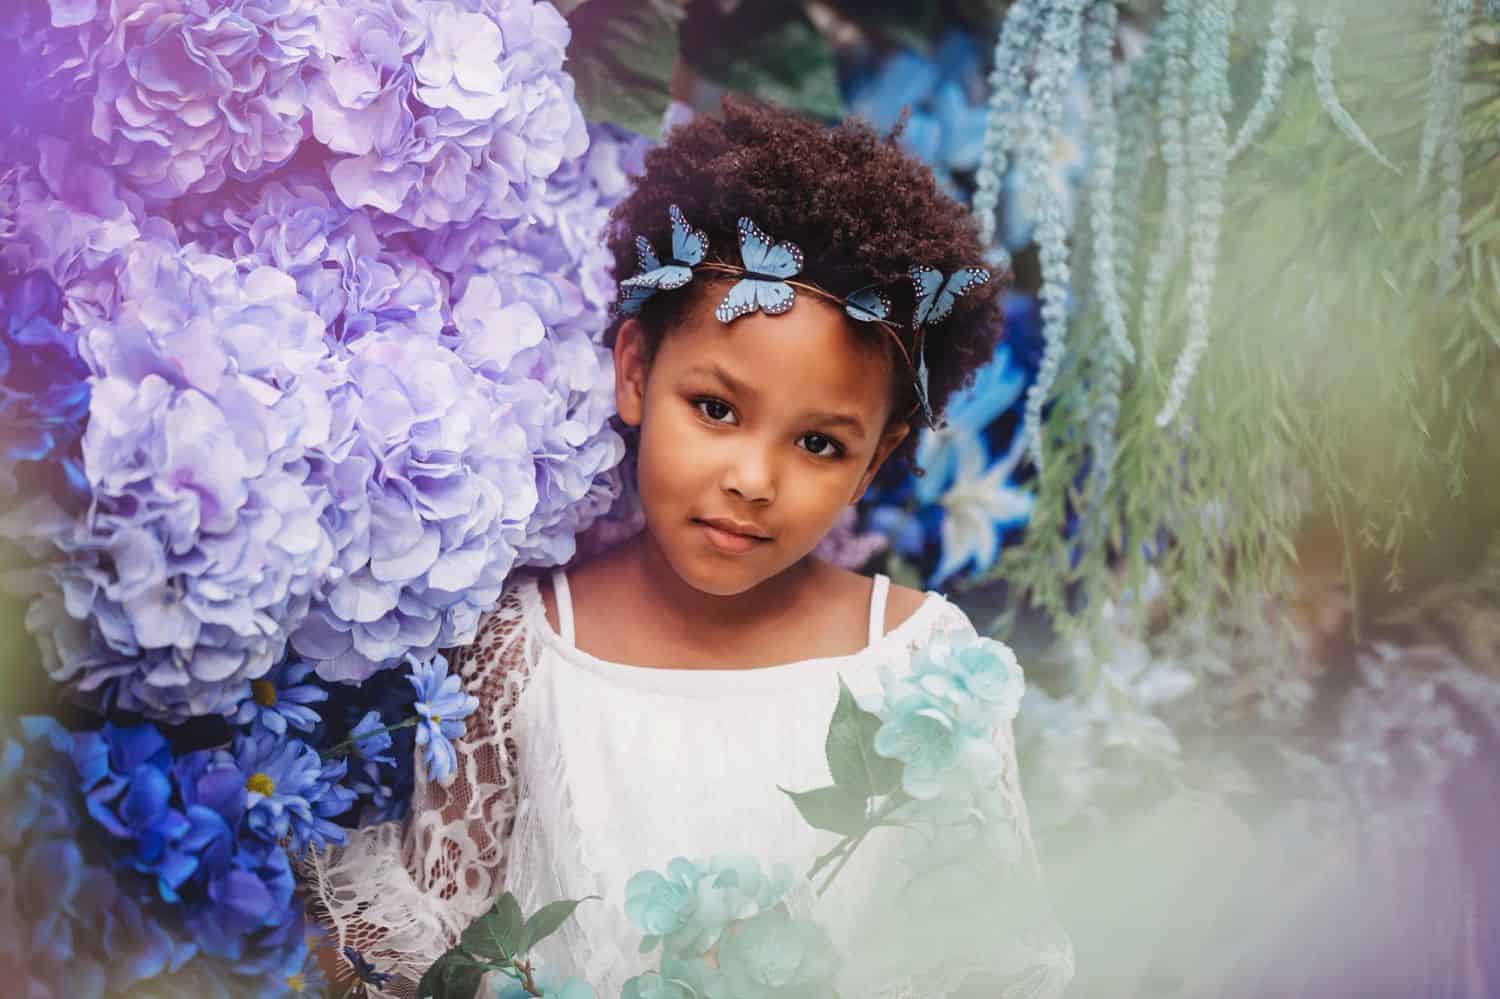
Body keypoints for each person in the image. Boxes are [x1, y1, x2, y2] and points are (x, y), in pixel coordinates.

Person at [307, 98, 1072, 999]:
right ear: (635, 371)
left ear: (878, 459)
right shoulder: (524, 650)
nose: (754, 477)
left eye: (820, 442)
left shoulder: (927, 671)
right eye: (716, 407)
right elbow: (426, 965)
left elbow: (984, 965)